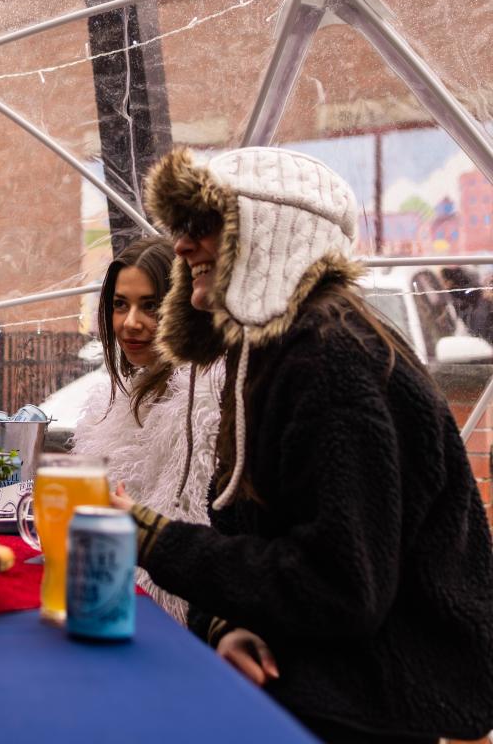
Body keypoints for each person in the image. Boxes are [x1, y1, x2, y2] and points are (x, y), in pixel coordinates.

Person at [112, 147, 493, 743]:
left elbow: (340, 588)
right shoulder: (274, 349)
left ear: (272, 231)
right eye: (179, 229)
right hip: (314, 686)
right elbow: (257, 535)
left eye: (203, 225)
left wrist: (146, 534)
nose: (182, 247)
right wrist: (226, 625)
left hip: (362, 708)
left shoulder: (332, 357)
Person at [70, 236, 221, 624]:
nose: (131, 322)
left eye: (150, 306)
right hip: (107, 600)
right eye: (121, 305)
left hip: (167, 622)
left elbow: (185, 531)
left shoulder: (202, 403)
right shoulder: (107, 404)